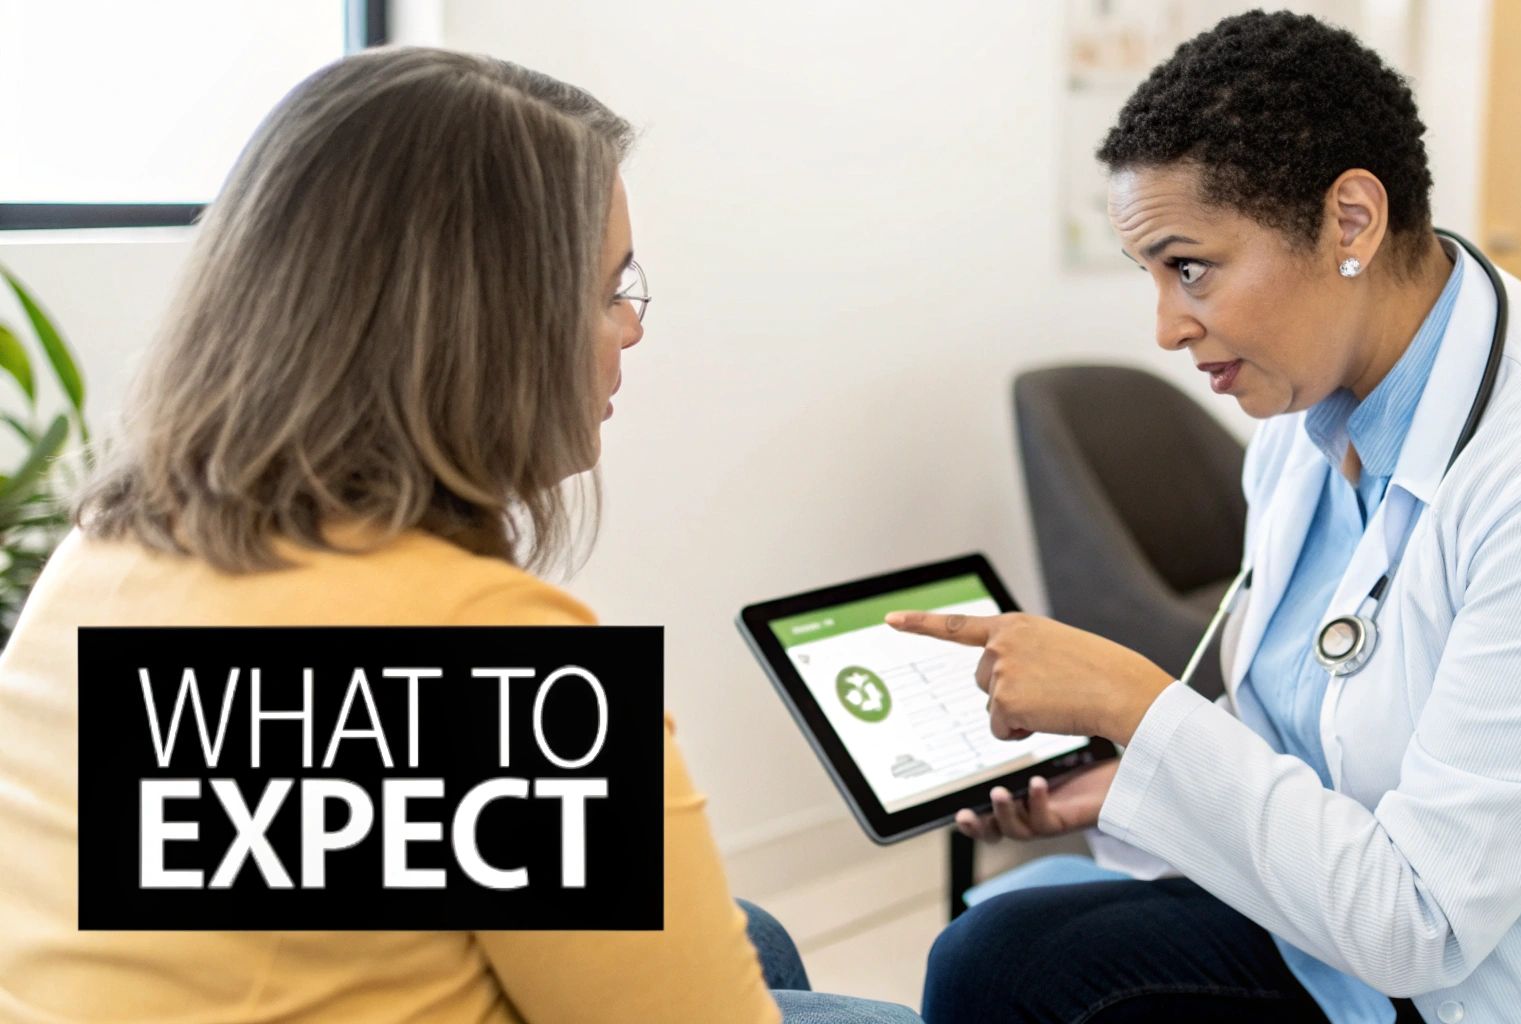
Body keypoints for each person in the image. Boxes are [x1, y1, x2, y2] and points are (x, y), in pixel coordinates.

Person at [891, 12, 1521, 1023]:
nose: (1163, 327)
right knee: (1006, 957)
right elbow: (1306, 765)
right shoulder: (1301, 421)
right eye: (1148, 275)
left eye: (1188, 266)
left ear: (1348, 222)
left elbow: (1416, 920)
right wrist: (1137, 783)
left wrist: (1140, 706)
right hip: (1362, 960)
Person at [0, 46, 915, 1024]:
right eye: (611, 290)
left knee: (754, 933)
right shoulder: (486, 646)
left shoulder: (100, 550)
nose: (631, 329)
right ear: (491, 326)